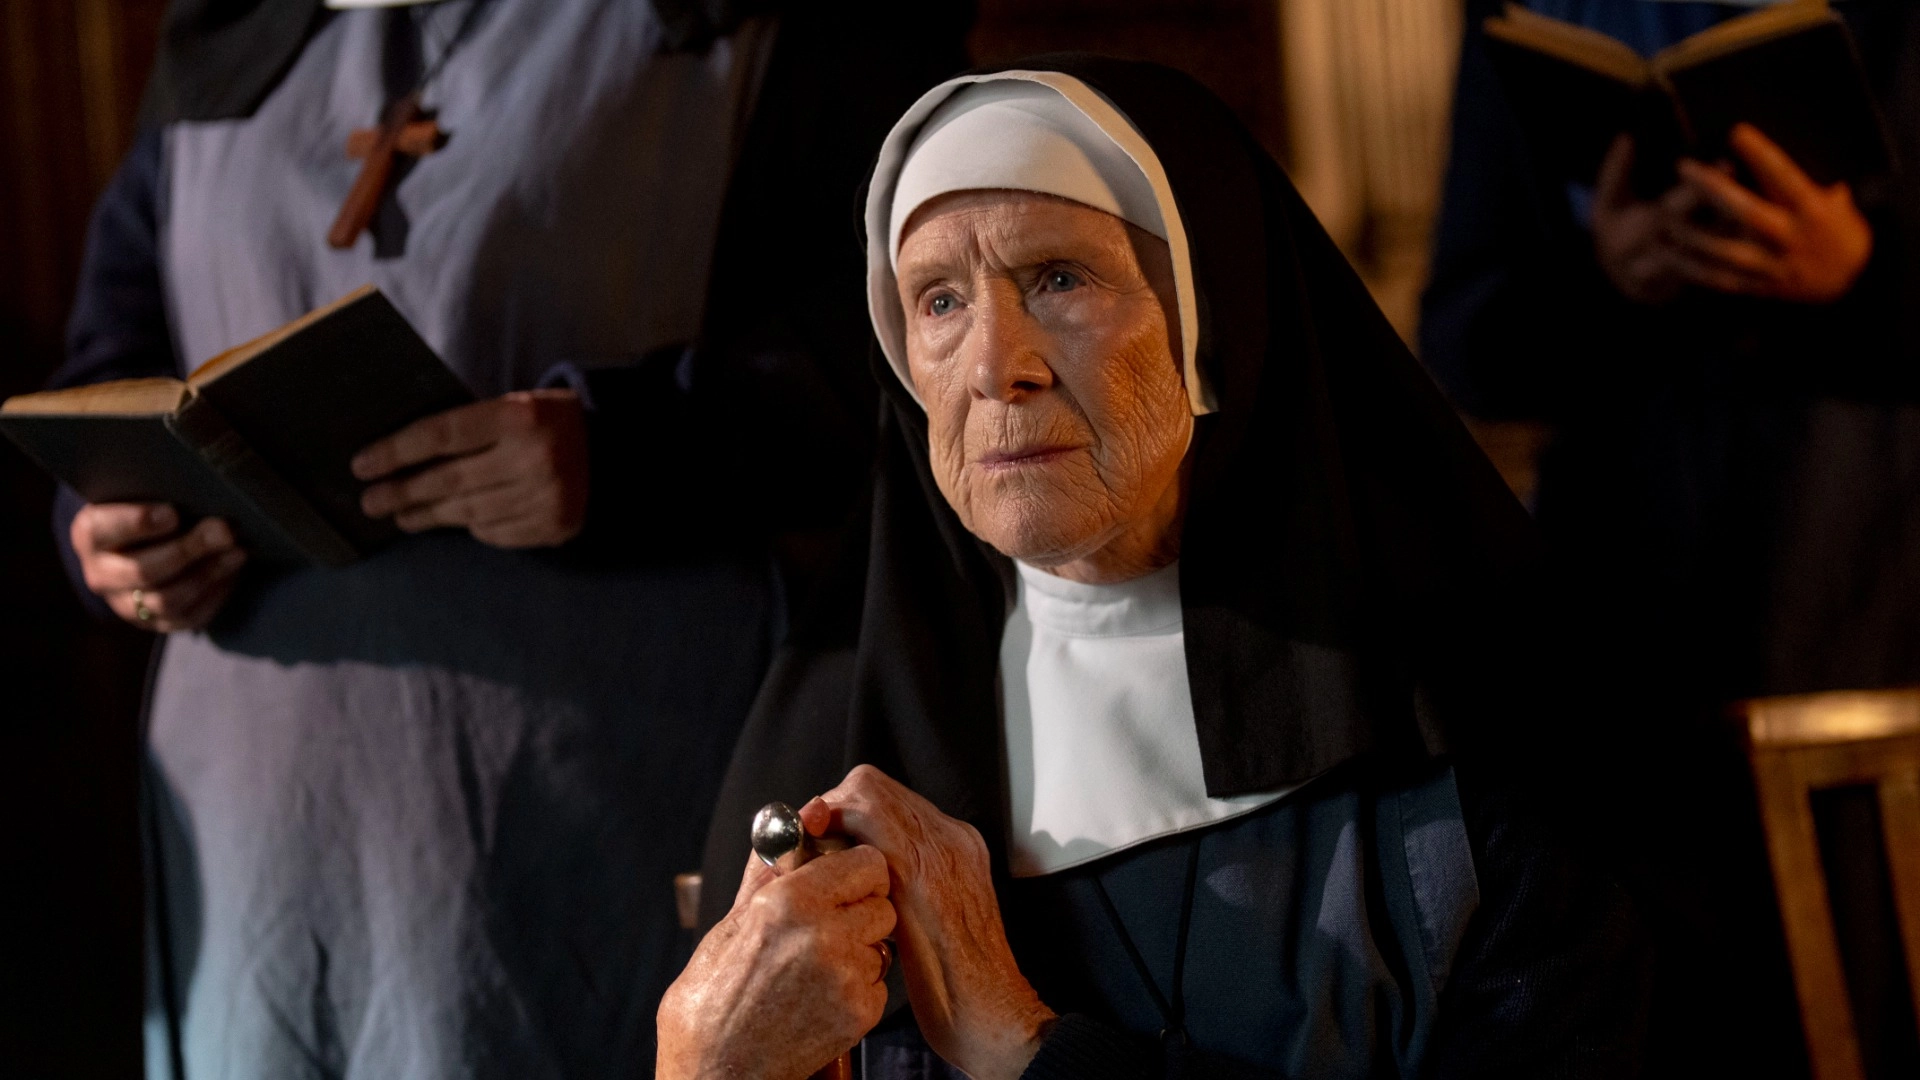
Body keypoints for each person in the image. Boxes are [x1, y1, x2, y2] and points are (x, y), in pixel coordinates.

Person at [655, 57, 1648, 1080]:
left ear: (1213, 320)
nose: (996, 366)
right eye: (939, 301)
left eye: (1059, 279)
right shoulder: (822, 778)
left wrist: (1024, 1048)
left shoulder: (1492, 724)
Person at [50, 0, 969, 1075]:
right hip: (258, 812)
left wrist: (625, 449)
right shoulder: (230, 32)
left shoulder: (765, 26)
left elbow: (906, 346)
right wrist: (103, 532)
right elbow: (110, 361)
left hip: (590, 787)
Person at [1423, 2, 1920, 1076]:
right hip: (1621, 652)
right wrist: (1605, 277)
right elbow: (1465, 343)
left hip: (1869, 625)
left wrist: (1863, 276)